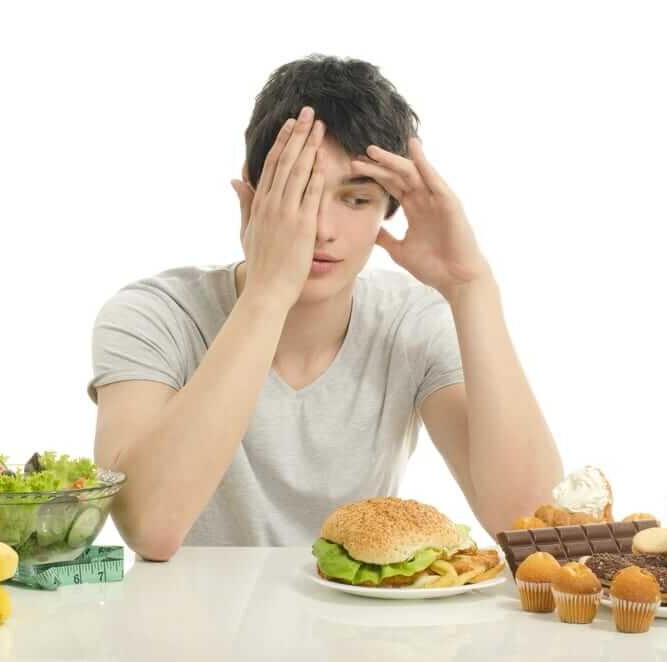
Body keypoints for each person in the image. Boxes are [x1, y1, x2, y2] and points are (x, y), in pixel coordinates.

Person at [89, 55, 563, 561]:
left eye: (356, 200)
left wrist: (472, 287)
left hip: (359, 611)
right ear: (252, 189)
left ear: (390, 208)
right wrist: (269, 292)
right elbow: (149, 529)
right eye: (300, 191)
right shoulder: (153, 316)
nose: (322, 229)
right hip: (189, 615)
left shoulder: (411, 322)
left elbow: (531, 526)